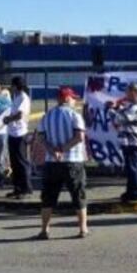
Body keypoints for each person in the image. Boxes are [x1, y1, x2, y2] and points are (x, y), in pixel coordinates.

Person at [37, 86, 88, 239]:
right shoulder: (74, 115)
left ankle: (45, 229)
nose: (75, 101)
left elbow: (41, 138)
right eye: (73, 98)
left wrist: (52, 151)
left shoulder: (47, 116)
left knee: (48, 197)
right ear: (66, 98)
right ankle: (83, 228)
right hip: (73, 160)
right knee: (78, 194)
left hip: (51, 162)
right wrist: (63, 149)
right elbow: (79, 137)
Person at [108, 82, 137, 203]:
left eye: (127, 92)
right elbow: (125, 113)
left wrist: (111, 110)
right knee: (133, 167)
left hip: (133, 142)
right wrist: (118, 108)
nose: (125, 94)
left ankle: (135, 193)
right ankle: (131, 190)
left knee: (132, 168)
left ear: (134, 92)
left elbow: (120, 119)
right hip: (136, 141)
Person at [2, 77, 33, 199]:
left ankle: (26, 189)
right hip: (12, 133)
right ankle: (17, 188)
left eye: (12, 85)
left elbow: (20, 115)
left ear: (16, 86)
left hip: (20, 134)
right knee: (14, 163)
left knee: (22, 162)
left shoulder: (23, 98)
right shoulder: (15, 96)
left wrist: (8, 119)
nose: (11, 87)